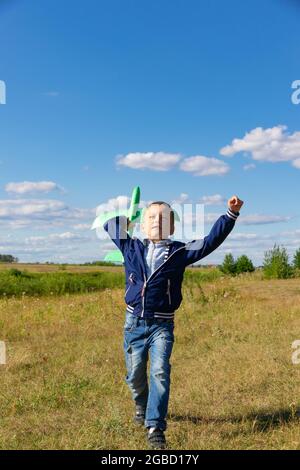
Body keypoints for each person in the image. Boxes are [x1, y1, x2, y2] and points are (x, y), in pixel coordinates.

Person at [103, 195, 244, 449]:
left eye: (164, 218)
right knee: (135, 376)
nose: (157, 221)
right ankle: (140, 405)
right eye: (152, 218)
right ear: (143, 225)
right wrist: (128, 219)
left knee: (159, 372)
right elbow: (110, 225)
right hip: (134, 324)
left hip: (162, 326)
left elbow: (209, 242)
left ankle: (155, 426)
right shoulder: (130, 246)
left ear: (173, 227)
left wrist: (230, 215)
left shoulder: (180, 252)